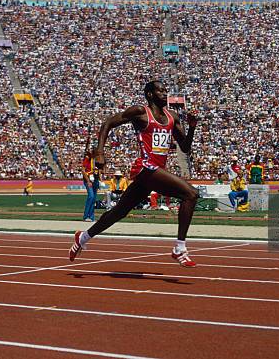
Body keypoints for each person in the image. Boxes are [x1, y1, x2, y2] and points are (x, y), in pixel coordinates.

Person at [69, 80, 199, 267]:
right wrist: (99, 152)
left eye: (166, 90)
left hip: (156, 172)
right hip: (144, 168)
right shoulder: (140, 112)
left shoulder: (172, 117)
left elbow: (185, 148)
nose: (165, 93)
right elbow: (108, 123)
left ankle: (82, 238)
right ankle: (179, 248)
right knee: (191, 194)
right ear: (150, 95)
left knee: (118, 212)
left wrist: (192, 127)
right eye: (160, 91)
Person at [82, 149, 100, 222]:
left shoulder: (96, 159)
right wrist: (88, 181)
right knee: (91, 196)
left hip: (95, 180)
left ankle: (91, 217)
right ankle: (86, 216)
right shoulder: (87, 158)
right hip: (88, 180)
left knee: (93, 199)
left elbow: (99, 169)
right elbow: (83, 170)